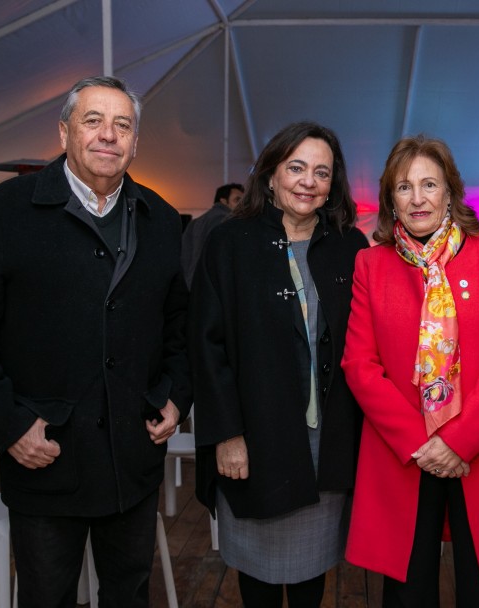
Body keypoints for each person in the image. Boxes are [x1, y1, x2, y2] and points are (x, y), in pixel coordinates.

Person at [0, 76, 192, 607]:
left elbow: (182, 326)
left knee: (129, 594)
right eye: (93, 121)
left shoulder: (163, 219)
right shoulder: (2, 212)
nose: (108, 135)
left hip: (132, 454)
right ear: (63, 132)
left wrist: (175, 395)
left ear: (135, 142)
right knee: (47, 596)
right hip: (47, 455)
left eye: (122, 125)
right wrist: (10, 426)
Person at [342, 135, 479, 607]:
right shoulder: (370, 264)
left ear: (449, 192)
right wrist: (423, 445)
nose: (417, 198)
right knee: (408, 593)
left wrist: (457, 441)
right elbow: (360, 365)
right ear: (390, 200)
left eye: (429, 184)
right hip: (407, 455)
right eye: (404, 187)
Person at [189, 121, 369, 607]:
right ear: (270, 174)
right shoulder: (230, 244)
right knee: (260, 577)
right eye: (296, 167)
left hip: (326, 442)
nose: (308, 181)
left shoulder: (349, 248)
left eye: (322, 172)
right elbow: (207, 346)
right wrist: (227, 434)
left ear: (334, 184)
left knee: (314, 571)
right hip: (253, 441)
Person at [181, 182, 244, 287]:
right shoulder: (227, 221)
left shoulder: (196, 222)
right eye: (237, 200)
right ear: (224, 201)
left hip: (191, 285)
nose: (242, 204)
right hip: (212, 286)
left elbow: (184, 256)